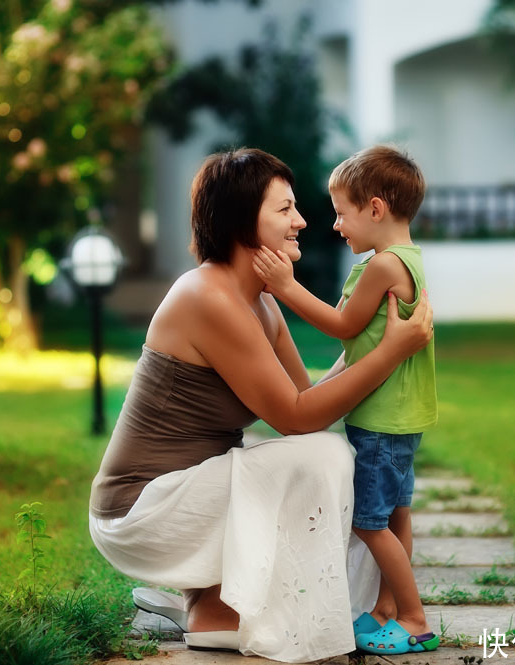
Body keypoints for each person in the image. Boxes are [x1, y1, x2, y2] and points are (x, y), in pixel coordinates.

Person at [88, 148, 433, 663]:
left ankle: (211, 605)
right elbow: (296, 417)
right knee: (327, 458)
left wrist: (378, 346)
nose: (302, 221)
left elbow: (309, 400)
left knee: (325, 453)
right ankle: (218, 606)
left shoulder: (260, 301)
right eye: (284, 209)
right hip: (142, 509)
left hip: (190, 487)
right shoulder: (209, 296)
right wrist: (389, 353)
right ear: (240, 221)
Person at [252, 145, 438, 655]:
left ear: (375, 209)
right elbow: (363, 346)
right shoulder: (407, 259)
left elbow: (343, 325)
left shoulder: (382, 266)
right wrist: (317, 389)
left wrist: (285, 288)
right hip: (399, 417)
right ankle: (386, 609)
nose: (335, 226)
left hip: (380, 422)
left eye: (342, 213)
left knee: (369, 523)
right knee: (397, 515)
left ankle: (415, 619)